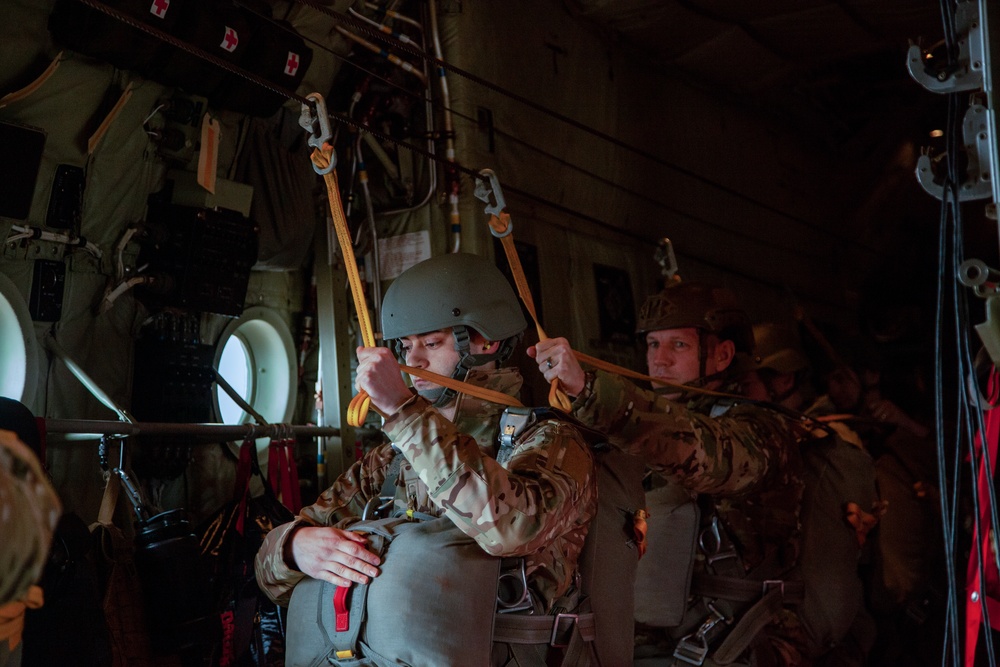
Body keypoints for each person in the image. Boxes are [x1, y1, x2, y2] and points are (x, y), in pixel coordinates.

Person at [255, 253, 597, 662]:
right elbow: (267, 572)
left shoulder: (552, 442)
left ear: (486, 342)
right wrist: (295, 546)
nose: (412, 361)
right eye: (405, 346)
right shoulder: (390, 461)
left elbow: (511, 530)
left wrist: (402, 410)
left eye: (431, 343)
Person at [530, 282, 811, 666]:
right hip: (656, 638)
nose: (659, 360)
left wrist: (591, 391)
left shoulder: (761, 430)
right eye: (652, 345)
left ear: (723, 355)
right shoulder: (648, 427)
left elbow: (703, 452)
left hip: (740, 641)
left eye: (678, 345)